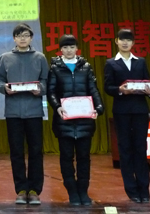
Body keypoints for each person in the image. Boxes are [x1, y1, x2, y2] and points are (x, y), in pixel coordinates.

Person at [0, 23, 49, 205]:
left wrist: (40, 89)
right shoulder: (6, 58)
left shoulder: (40, 57)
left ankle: (34, 190)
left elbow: (46, 80)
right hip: (13, 113)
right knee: (16, 152)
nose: (22, 38)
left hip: (34, 112)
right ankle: (20, 190)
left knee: (36, 151)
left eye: (26, 35)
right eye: (19, 35)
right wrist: (4, 88)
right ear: (14, 38)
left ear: (31, 38)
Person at [47, 34, 104, 206]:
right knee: (66, 157)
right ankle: (72, 191)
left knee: (84, 158)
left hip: (84, 120)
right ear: (60, 49)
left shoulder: (86, 67)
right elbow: (51, 92)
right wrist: (57, 106)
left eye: (72, 47)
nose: (69, 50)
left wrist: (98, 107)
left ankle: (83, 192)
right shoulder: (55, 68)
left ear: (77, 48)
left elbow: (93, 89)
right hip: (64, 120)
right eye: (65, 47)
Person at [103, 28, 150, 203]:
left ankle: (144, 189)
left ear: (133, 43)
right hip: (122, 111)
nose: (125, 43)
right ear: (116, 41)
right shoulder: (111, 63)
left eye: (128, 40)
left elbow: (148, 83)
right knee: (125, 149)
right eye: (122, 39)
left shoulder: (141, 62)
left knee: (140, 148)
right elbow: (107, 87)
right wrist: (119, 90)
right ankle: (131, 190)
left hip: (140, 110)